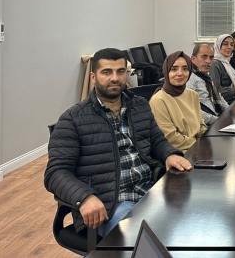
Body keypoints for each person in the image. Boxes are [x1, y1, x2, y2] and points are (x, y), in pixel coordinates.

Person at [44, 48, 192, 238]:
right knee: (151, 240)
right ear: (93, 77)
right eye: (107, 72)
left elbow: (156, 141)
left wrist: (169, 154)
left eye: (120, 71)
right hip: (111, 204)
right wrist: (84, 197)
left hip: (151, 190)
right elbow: (56, 173)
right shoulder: (73, 119)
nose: (115, 78)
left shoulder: (139, 105)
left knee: (193, 223)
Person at [149, 51, 207, 151]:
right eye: (174, 69)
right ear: (166, 71)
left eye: (185, 69)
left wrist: (208, 142)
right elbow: (171, 138)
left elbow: (201, 126)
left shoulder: (193, 95)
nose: (180, 73)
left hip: (199, 148)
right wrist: (199, 147)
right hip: (180, 153)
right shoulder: (158, 100)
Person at [187, 43, 229, 126]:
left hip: (217, 120)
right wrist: (219, 121)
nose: (208, 61)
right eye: (204, 57)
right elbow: (191, 111)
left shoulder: (206, 76)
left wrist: (230, 113)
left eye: (211, 57)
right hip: (206, 126)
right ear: (193, 59)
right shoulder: (190, 79)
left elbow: (219, 97)